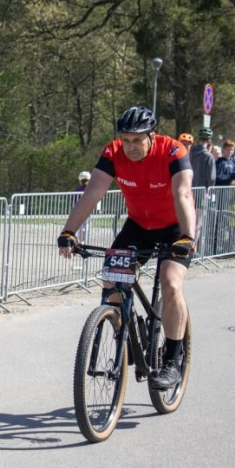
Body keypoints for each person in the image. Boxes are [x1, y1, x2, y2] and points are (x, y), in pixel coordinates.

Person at [57, 106, 195, 390]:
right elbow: (93, 193)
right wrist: (68, 231)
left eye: (137, 140)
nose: (130, 146)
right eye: (125, 139)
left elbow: (183, 193)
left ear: (152, 136)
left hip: (174, 229)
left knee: (170, 285)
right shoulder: (113, 152)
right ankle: (124, 336)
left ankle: (171, 360)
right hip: (138, 227)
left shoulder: (173, 152)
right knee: (111, 279)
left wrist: (187, 237)